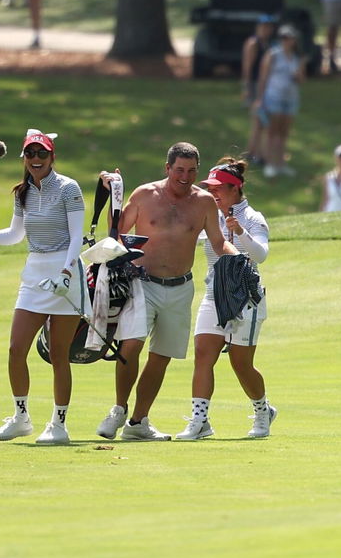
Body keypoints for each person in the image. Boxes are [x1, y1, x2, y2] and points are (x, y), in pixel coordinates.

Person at [95, 142, 232, 441]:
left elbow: (219, 241)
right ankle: (118, 409)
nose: (185, 176)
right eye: (179, 170)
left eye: (192, 171)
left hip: (181, 287)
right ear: (167, 168)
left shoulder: (205, 201)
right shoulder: (145, 195)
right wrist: (113, 199)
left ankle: (138, 422)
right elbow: (116, 231)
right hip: (143, 282)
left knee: (161, 356)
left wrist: (236, 259)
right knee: (131, 345)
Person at [0, 129, 86, 445]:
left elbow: (76, 236)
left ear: (52, 157)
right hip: (35, 272)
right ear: (24, 157)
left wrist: (66, 270)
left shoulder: (68, 188)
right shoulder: (23, 192)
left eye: (42, 154)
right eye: (30, 154)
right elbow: (16, 234)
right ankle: (21, 417)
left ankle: (58, 424)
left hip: (65, 270)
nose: (36, 159)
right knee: (15, 348)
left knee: (59, 354)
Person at [176, 159, 276, 440]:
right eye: (210, 188)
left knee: (240, 364)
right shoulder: (209, 214)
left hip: (247, 298)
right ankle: (199, 421)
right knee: (203, 356)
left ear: (235, 189)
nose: (213, 193)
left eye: (219, 188)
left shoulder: (253, 218)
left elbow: (261, 256)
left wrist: (240, 232)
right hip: (213, 295)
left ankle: (262, 411)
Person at [255, 24, 305, 179]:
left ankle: (281, 163)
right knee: (272, 131)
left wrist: (299, 75)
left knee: (284, 132)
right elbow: (263, 77)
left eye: (288, 38)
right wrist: (260, 98)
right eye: (283, 38)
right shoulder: (273, 55)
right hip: (274, 97)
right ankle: (270, 163)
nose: (286, 41)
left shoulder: (297, 58)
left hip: (291, 99)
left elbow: (302, 79)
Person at [241, 15, 277, 165]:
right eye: (263, 27)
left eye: (268, 27)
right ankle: (252, 153)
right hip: (256, 85)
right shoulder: (253, 44)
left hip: (267, 87)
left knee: (263, 121)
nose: (266, 30)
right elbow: (248, 67)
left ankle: (259, 153)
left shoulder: (270, 44)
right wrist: (247, 87)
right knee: (258, 120)